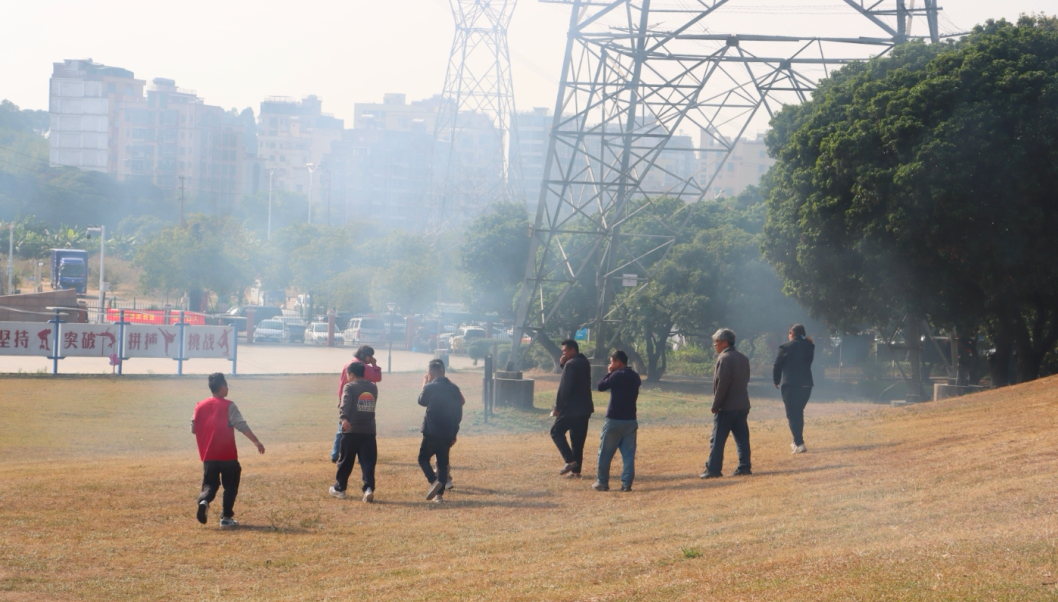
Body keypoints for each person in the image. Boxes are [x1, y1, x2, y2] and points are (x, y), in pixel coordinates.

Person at [191, 373, 265, 528]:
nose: (228, 389)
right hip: (227, 454)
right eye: (227, 386)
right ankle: (226, 518)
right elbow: (240, 425)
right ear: (222, 387)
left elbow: (194, 428)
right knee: (230, 485)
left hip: (208, 455)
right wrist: (256, 441)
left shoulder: (199, 406)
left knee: (210, 484)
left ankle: (204, 501)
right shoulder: (228, 405)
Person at [701, 328, 752, 479]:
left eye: (716, 341)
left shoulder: (724, 358)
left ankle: (713, 469)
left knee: (717, 439)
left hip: (727, 406)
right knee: (742, 439)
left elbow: (722, 384)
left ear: (725, 343)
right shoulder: (743, 357)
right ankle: (744, 467)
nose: (714, 344)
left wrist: (715, 405)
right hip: (742, 404)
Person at [330, 362, 379, 502]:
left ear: (351, 374)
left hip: (351, 430)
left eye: (347, 375)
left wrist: (343, 418)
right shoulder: (373, 387)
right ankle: (368, 489)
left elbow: (346, 403)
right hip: (369, 431)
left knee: (346, 461)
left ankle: (340, 489)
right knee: (368, 462)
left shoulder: (349, 387)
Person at [592, 350, 641, 492]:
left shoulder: (617, 375)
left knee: (605, 454)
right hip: (630, 420)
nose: (610, 365)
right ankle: (626, 484)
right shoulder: (635, 376)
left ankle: (602, 482)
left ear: (618, 362)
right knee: (628, 456)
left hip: (614, 419)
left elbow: (600, 386)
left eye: (612, 362)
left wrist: (609, 373)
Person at [417, 359, 463, 503]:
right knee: (442, 464)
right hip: (448, 432)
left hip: (431, 431)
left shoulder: (430, 387)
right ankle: (439, 496)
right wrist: (454, 432)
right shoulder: (454, 388)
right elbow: (458, 413)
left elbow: (421, 401)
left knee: (423, 458)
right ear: (443, 372)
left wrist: (425, 383)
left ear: (430, 373)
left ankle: (433, 480)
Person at [550, 339, 595, 478]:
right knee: (577, 441)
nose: (563, 353)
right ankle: (576, 472)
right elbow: (575, 379)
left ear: (573, 350)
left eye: (565, 351)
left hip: (571, 409)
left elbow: (564, 387)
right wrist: (564, 365)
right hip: (585, 409)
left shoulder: (570, 364)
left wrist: (557, 408)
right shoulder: (584, 362)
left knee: (556, 432)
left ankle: (570, 461)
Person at [331, 345, 382, 463]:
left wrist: (341, 400)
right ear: (364, 355)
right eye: (370, 356)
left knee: (342, 427)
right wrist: (375, 365)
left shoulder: (348, 364)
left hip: (345, 398)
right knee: (359, 427)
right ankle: (361, 455)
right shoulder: (363, 367)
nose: (371, 358)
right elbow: (377, 377)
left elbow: (341, 384)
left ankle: (335, 454)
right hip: (359, 399)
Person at [773, 324, 815, 454]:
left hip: (791, 384)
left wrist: (776, 380)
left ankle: (799, 443)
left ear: (791, 333)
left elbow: (777, 364)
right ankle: (797, 440)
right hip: (806, 383)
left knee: (792, 414)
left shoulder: (785, 347)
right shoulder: (810, 345)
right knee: (798, 412)